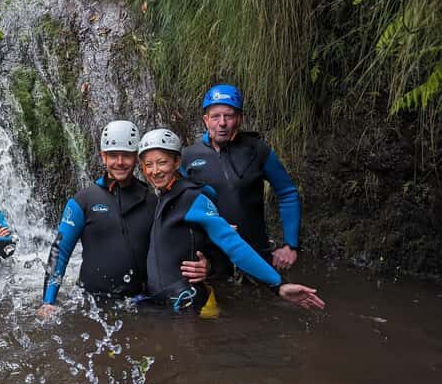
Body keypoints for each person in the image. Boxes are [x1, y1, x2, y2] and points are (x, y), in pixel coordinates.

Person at [139, 128, 324, 311]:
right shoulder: (163, 196)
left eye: (162, 163)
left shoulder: (191, 198)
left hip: (186, 304)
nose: (155, 171)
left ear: (177, 162)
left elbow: (232, 243)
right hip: (162, 303)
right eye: (148, 165)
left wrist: (278, 284)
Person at [37, 121, 208, 318]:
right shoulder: (83, 201)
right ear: (102, 157)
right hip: (92, 304)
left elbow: (181, 242)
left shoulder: (154, 200)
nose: (119, 161)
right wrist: (48, 302)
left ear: (137, 158)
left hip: (143, 302)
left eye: (126, 155)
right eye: (112, 155)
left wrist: (206, 266)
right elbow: (60, 251)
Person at [182, 84, 301, 271]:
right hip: (211, 261)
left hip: (256, 255)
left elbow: (287, 193)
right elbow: (178, 208)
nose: (222, 123)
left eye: (228, 116)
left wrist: (290, 245)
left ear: (239, 119)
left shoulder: (257, 150)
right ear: (206, 120)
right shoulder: (188, 156)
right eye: (215, 117)